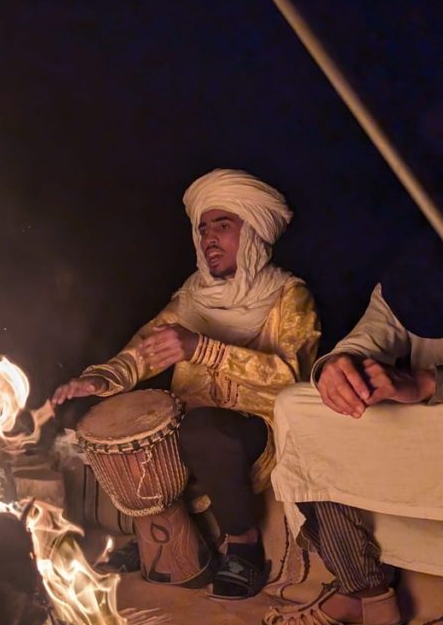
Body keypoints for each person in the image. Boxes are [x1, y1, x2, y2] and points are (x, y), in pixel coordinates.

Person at [264, 140, 443, 625]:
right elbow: (369, 334)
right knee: (299, 410)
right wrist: (338, 366)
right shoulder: (415, 265)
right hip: (419, 428)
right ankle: (366, 590)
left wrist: (428, 383)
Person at [52, 169, 320, 599]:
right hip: (191, 420)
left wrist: (203, 349)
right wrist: (97, 381)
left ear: (253, 234)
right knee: (124, 424)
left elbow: (291, 375)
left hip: (258, 427)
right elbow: (143, 349)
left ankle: (244, 546)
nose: (208, 237)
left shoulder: (290, 296)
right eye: (203, 228)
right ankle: (160, 537)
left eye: (223, 225)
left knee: (206, 430)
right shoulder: (193, 297)